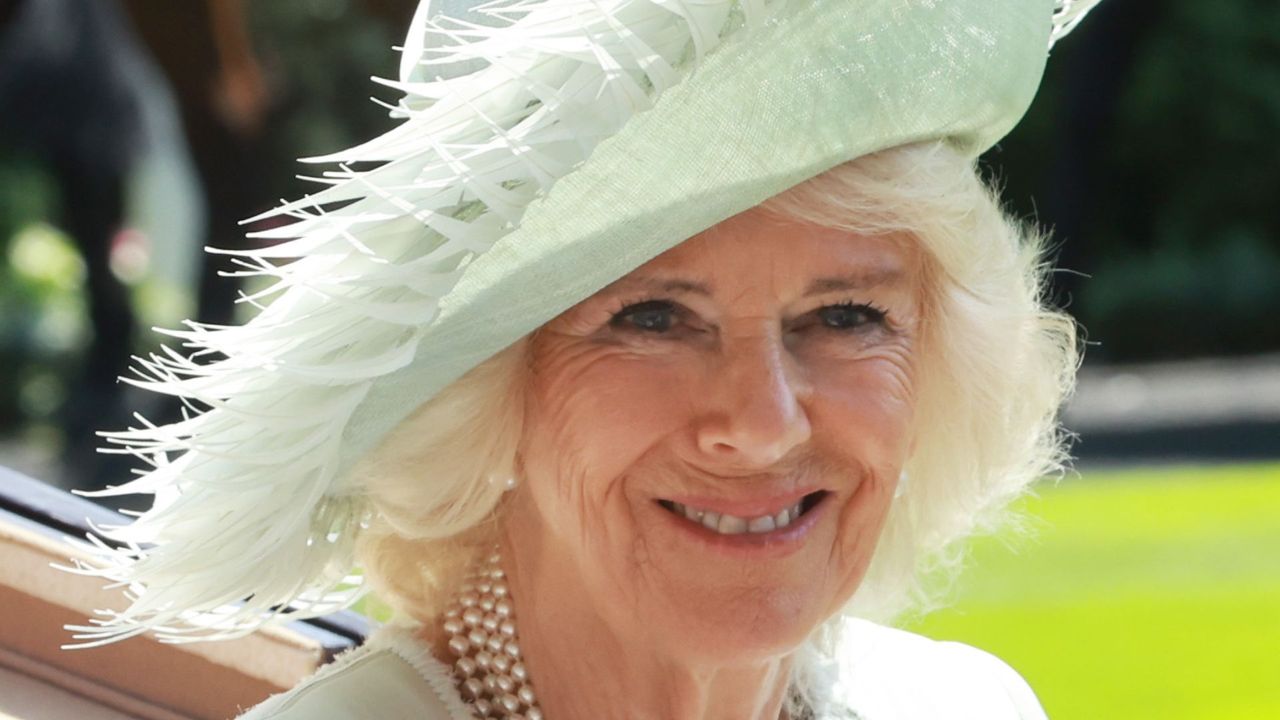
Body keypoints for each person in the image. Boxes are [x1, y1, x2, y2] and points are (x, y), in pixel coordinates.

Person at [68, 1, 1101, 718]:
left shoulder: (969, 706)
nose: (763, 419)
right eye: (652, 318)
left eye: (840, 317)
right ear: (483, 389)